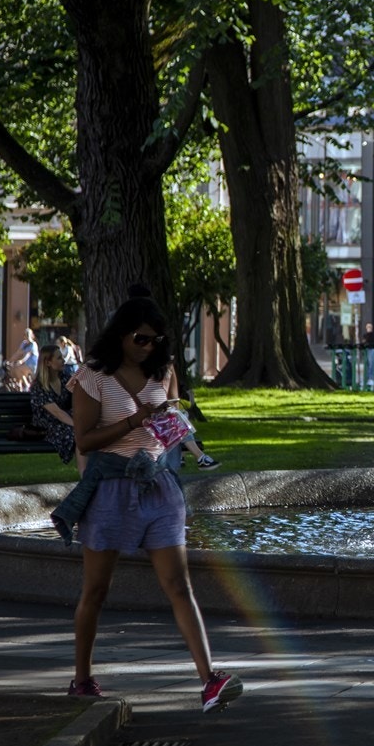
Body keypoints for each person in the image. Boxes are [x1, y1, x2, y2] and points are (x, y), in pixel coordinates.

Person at [53, 295, 241, 712]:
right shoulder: (92, 376)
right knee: (96, 590)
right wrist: (135, 421)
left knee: (179, 586)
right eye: (141, 339)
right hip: (112, 489)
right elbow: (84, 440)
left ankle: (209, 681)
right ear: (121, 335)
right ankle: (81, 679)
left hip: (159, 488)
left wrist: (182, 436)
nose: (149, 347)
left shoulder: (164, 371)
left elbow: (168, 427)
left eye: (157, 340)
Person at [30, 344, 82, 472]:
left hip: (65, 420)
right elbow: (56, 412)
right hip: (47, 425)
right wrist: (78, 425)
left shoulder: (65, 378)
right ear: (48, 362)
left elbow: (80, 398)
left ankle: (92, 476)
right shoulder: (39, 386)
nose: (63, 360)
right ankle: (85, 477)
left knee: (90, 431)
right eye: (59, 358)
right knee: (79, 434)